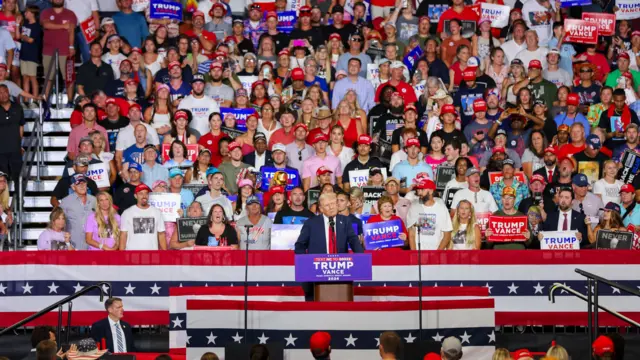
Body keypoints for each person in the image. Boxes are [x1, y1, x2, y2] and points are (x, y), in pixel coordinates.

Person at [406, 179, 452, 250]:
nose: (419, 192)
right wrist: (414, 253)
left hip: (437, 252)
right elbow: (411, 234)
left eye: (422, 189)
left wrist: (437, 253)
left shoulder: (441, 208)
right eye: (418, 190)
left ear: (431, 191)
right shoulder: (414, 207)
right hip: (419, 254)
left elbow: (447, 234)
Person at [119, 184, 167, 250]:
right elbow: (123, 235)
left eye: (146, 193)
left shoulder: (157, 212)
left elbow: (161, 234)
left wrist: (165, 254)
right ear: (135, 196)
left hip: (152, 254)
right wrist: (121, 256)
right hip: (132, 254)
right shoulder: (127, 213)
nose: (144, 196)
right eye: (141, 193)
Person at [58, 174, 96, 251]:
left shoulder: (94, 200)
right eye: (78, 184)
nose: (82, 186)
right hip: (74, 244)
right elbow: (58, 221)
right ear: (73, 187)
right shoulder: (66, 201)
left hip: (93, 244)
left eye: (83, 183)